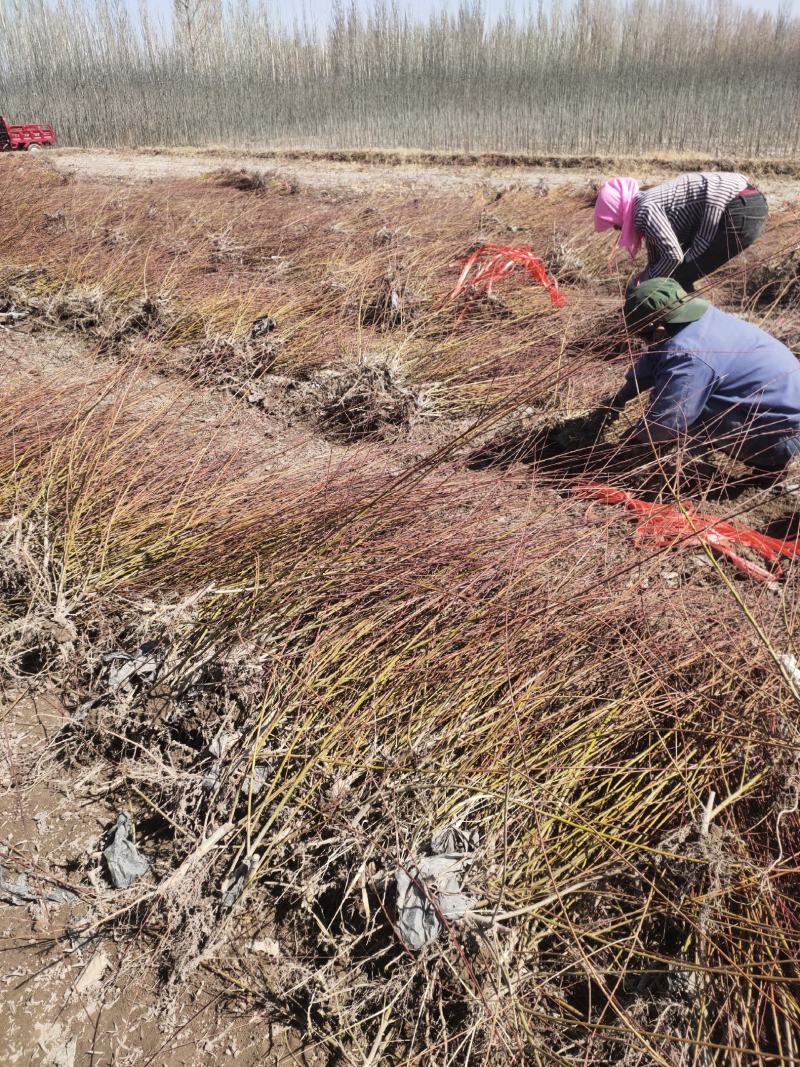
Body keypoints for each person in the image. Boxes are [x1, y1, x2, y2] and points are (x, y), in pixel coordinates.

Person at [601, 278, 800, 478]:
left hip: (781, 438)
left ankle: (770, 467)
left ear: (659, 330)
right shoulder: (699, 320)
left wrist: (631, 446)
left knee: (685, 403)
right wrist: (620, 398)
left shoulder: (690, 353)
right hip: (780, 414)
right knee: (683, 393)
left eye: (643, 336)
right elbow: (655, 358)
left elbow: (668, 419)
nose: (644, 342)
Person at [594, 173, 768, 293]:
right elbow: (658, 258)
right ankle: (683, 329)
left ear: (619, 210)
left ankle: (684, 334)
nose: (617, 230)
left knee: (677, 278)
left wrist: (645, 286)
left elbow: (672, 256)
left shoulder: (643, 210)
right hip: (749, 202)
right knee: (677, 277)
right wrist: (642, 278)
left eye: (615, 224)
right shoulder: (646, 204)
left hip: (738, 208)